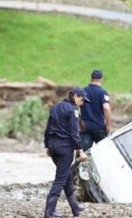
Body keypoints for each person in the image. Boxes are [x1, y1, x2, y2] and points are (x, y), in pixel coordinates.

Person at [44, 87, 89, 217]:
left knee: (66, 176)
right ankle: (50, 210)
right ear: (75, 96)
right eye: (81, 99)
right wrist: (81, 151)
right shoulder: (73, 111)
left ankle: (75, 207)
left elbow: (48, 128)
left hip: (53, 146)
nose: (83, 102)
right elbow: (74, 133)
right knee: (60, 179)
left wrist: (47, 145)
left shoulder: (55, 107)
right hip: (64, 148)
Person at [80, 69, 112, 151]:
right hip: (99, 127)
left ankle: (78, 164)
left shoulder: (83, 91)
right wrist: (108, 125)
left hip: (85, 127)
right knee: (103, 152)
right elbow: (106, 107)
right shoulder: (103, 92)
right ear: (101, 79)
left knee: (83, 154)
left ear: (91, 78)